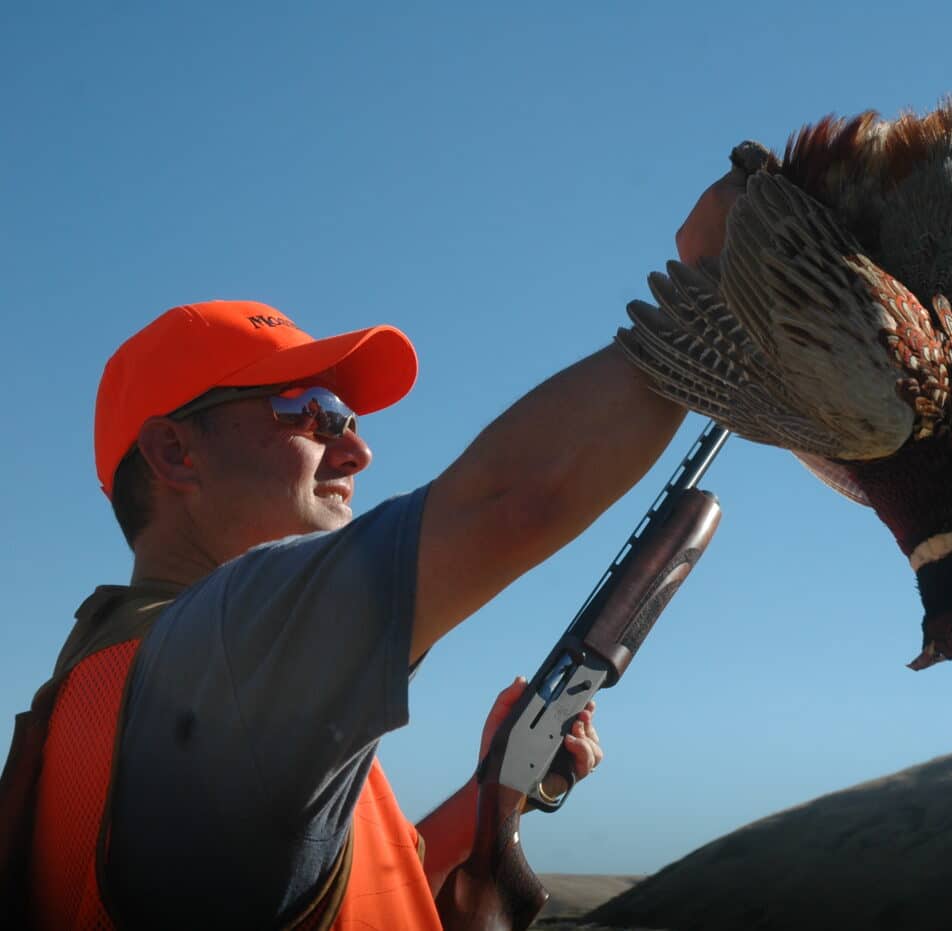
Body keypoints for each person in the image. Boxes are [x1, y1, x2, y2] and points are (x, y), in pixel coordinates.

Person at [8, 170, 746, 929]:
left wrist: (492, 793)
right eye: (315, 413)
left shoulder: (109, 677)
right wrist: (714, 294)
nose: (356, 448)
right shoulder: (226, 648)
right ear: (175, 454)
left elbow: (327, 896)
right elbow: (515, 502)